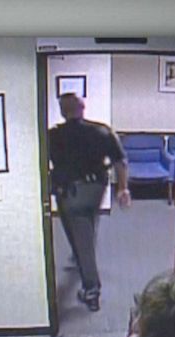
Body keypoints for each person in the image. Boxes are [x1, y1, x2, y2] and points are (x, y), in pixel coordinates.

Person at [48, 93, 131, 312]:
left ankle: (91, 289)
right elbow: (120, 161)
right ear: (82, 108)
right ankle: (79, 256)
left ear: (62, 112)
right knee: (86, 223)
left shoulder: (53, 135)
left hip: (70, 192)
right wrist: (122, 188)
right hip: (95, 190)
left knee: (78, 231)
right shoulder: (101, 131)